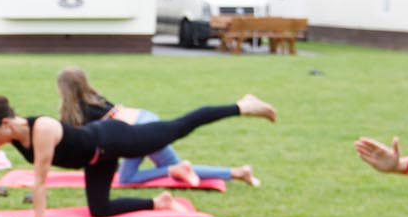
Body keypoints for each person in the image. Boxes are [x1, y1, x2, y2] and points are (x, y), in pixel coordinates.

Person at [0, 93, 277, 217]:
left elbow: (41, 178)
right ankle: (157, 201)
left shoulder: (41, 129)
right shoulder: (7, 133)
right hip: (98, 160)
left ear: (4, 123)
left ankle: (244, 105)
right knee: (99, 210)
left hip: (114, 138)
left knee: (179, 127)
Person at [56, 67, 260, 188]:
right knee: (181, 167)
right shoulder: (94, 98)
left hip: (136, 132)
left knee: (126, 179)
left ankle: (174, 169)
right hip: (146, 118)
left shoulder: (78, 111)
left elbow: (77, 143)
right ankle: (238, 172)